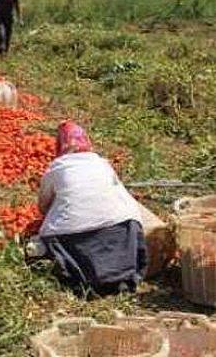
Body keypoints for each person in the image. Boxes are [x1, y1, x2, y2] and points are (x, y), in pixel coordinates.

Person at [37, 121, 146, 296]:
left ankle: (82, 277)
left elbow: (43, 206)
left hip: (72, 237)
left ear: (60, 144)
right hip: (123, 228)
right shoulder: (102, 163)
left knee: (47, 236)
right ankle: (123, 274)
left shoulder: (57, 168)